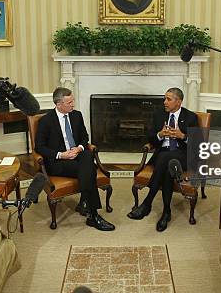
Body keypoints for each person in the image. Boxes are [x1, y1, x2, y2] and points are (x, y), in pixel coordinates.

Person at [34, 87, 115, 231]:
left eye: (73, 101)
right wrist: (61, 154)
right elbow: (39, 147)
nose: (73, 104)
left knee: (87, 156)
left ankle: (87, 205)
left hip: (77, 155)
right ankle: (93, 214)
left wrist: (79, 148)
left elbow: (85, 138)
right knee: (89, 169)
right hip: (59, 162)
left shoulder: (76, 115)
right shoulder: (46, 121)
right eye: (69, 102)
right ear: (58, 104)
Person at [127, 87, 198, 232]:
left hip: (182, 155)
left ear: (179, 102)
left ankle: (147, 203)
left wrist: (182, 136)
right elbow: (150, 138)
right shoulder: (159, 115)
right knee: (166, 166)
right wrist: (160, 134)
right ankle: (166, 212)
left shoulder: (191, 117)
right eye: (164, 99)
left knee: (165, 159)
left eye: (169, 99)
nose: (165, 102)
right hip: (164, 155)